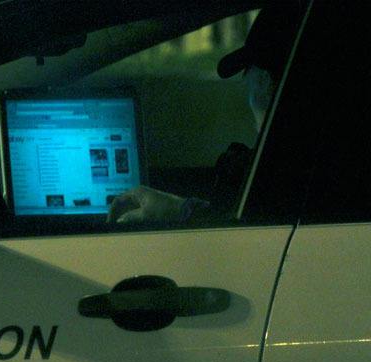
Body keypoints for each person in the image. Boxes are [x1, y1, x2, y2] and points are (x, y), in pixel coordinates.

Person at [108, 3, 305, 224]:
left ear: (265, 83)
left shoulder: (281, 179)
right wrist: (186, 209)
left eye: (247, 73)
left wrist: (179, 211)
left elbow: (249, 235)